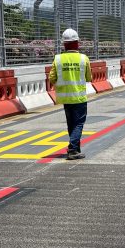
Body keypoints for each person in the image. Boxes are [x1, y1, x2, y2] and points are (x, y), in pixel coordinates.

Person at [48, 28, 92, 160]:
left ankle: (76, 149)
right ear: (77, 43)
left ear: (64, 44)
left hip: (65, 98)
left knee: (71, 124)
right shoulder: (84, 59)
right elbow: (89, 77)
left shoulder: (58, 59)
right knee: (78, 124)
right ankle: (73, 149)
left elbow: (51, 77)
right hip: (79, 97)